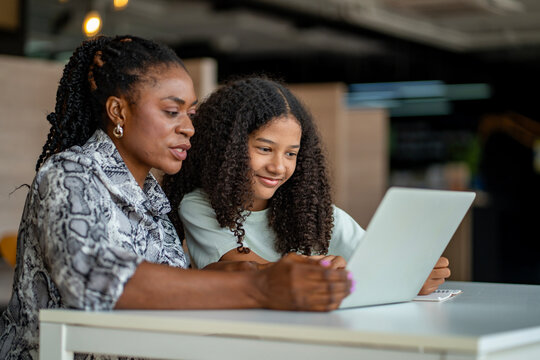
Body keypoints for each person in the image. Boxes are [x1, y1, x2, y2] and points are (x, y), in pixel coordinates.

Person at [0, 36, 352, 360]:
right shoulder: (71, 174)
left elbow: (168, 293)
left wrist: (238, 271)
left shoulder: (153, 200)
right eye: (172, 112)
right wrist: (259, 284)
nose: (189, 128)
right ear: (118, 111)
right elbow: (94, 280)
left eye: (191, 113)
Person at [162, 77, 450, 293]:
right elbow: (250, 269)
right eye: (264, 149)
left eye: (291, 154)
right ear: (226, 148)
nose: (278, 166)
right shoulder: (200, 206)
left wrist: (412, 275)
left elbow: (378, 260)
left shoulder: (316, 214)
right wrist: (320, 270)